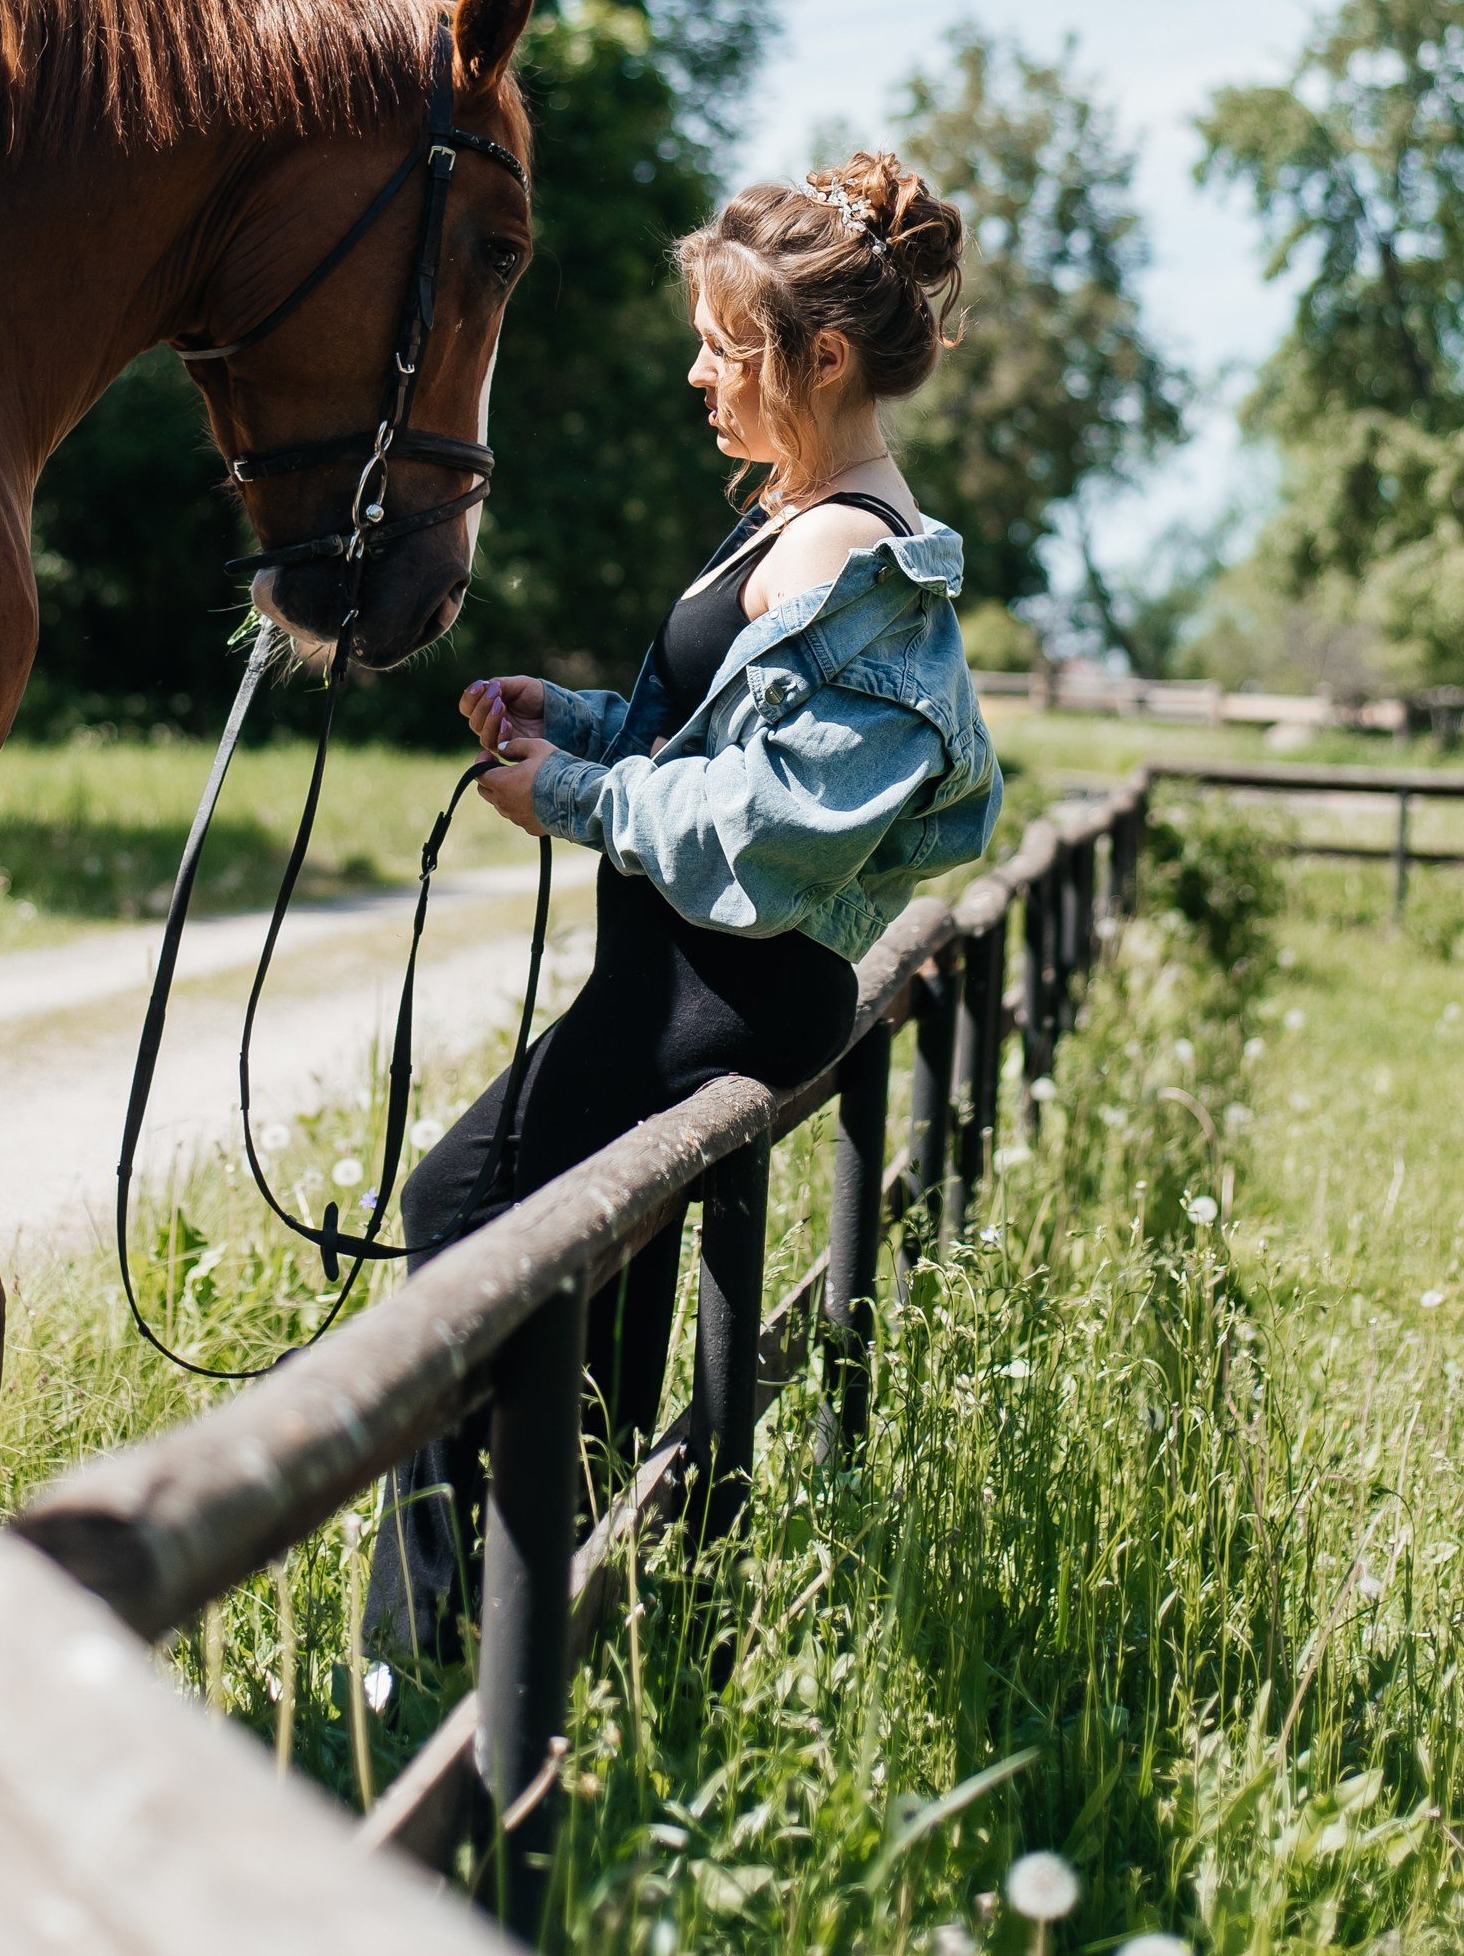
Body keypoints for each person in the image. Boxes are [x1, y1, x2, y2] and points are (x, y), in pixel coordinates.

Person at [366, 152, 1003, 1659]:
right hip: (677, 986)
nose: (699, 371)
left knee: (461, 1209)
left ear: (823, 356)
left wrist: (575, 800)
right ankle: (571, 1629)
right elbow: (711, 745)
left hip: (726, 990)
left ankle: (426, 1653)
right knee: (604, 1284)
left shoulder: (859, 566)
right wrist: (577, 720)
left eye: (728, 344)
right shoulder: (794, 524)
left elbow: (769, 836)